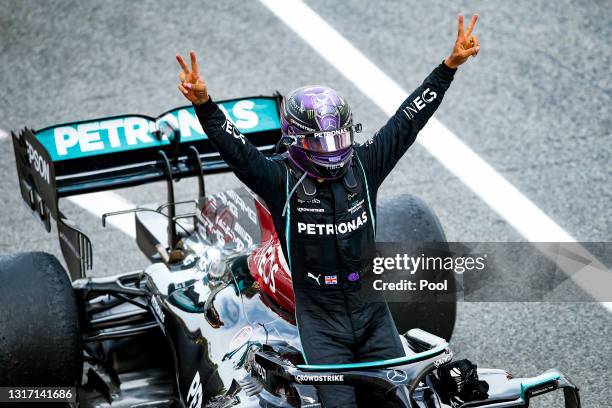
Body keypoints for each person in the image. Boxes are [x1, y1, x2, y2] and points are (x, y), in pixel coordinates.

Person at [176, 14, 479, 408]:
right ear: (297, 141)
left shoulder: (366, 165)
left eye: (339, 136)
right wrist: (205, 106)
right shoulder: (279, 180)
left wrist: (448, 68)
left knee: (400, 403)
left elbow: (409, 119)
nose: (332, 148)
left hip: (373, 315)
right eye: (321, 141)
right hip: (322, 327)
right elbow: (238, 151)